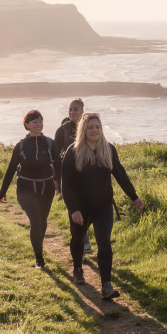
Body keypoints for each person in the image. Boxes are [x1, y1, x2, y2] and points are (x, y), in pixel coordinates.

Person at [61, 112, 144, 299]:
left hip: (104, 206)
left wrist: (134, 197)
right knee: (77, 239)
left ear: (101, 129)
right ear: (84, 130)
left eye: (97, 127)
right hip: (81, 207)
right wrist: (74, 209)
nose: (94, 130)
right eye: (90, 127)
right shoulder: (73, 152)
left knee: (104, 243)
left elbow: (120, 174)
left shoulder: (108, 149)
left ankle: (106, 285)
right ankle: (77, 269)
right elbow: (67, 184)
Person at [0, 109, 59, 270]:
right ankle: (39, 258)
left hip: (46, 189)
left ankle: (38, 246)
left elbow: (58, 165)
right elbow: (11, 169)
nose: (39, 124)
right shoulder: (21, 146)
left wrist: (59, 182)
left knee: (43, 222)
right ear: (27, 125)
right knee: (36, 221)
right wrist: (2, 191)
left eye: (40, 120)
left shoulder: (50, 143)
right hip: (26, 190)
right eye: (34, 121)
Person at [53, 97, 91, 252]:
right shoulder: (62, 130)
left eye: (76, 109)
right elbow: (54, 156)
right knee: (74, 208)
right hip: (68, 175)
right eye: (70, 109)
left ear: (82, 111)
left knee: (87, 208)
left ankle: (83, 237)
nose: (72, 112)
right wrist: (57, 179)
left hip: (87, 175)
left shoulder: (90, 127)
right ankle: (80, 243)